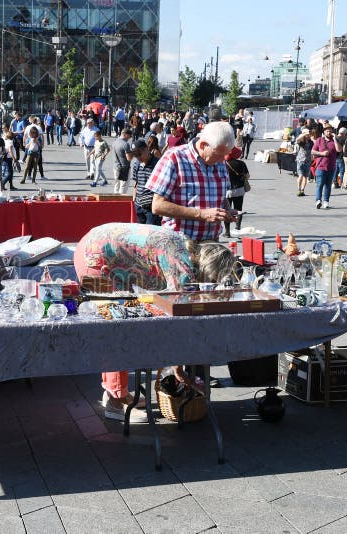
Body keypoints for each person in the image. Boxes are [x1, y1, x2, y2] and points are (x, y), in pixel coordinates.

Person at [73, 222, 235, 420]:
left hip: (94, 246)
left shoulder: (182, 248)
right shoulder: (181, 264)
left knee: (119, 324)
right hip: (95, 258)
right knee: (116, 328)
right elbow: (178, 317)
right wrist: (180, 369)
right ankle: (115, 401)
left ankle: (117, 393)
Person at [147, 121, 238, 242]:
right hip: (179, 243)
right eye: (218, 155)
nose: (222, 160)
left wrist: (225, 211)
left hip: (211, 243)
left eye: (225, 155)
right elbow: (157, 206)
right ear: (203, 145)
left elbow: (220, 198)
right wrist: (201, 214)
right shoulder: (174, 157)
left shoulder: (220, 162)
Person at [130, 139, 161, 226]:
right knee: (140, 233)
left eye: (139, 154)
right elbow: (136, 183)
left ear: (147, 149)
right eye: (135, 155)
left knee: (151, 233)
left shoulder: (157, 164)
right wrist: (134, 200)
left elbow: (161, 187)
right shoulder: (136, 164)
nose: (138, 157)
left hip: (151, 207)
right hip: (138, 205)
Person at [312, 124, 340, 209]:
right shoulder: (319, 140)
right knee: (319, 184)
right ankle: (318, 201)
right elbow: (313, 151)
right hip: (320, 166)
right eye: (327, 131)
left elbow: (339, 150)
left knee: (328, 186)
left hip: (331, 167)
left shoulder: (334, 141)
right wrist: (321, 153)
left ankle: (326, 201)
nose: (329, 132)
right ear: (324, 132)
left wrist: (335, 139)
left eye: (330, 131)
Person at [223, 146, 248, 237]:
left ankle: (227, 232)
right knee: (238, 209)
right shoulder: (241, 163)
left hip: (227, 191)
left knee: (227, 211)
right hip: (239, 190)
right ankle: (238, 228)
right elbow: (247, 176)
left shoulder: (224, 163)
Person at [111, 127, 132, 194]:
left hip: (115, 166)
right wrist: (134, 154)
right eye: (129, 136)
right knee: (123, 186)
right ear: (125, 134)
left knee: (116, 185)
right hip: (124, 167)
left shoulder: (114, 142)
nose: (130, 138)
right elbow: (129, 158)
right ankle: (121, 201)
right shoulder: (126, 144)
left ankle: (115, 201)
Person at [295, 128, 312, 196]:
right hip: (300, 161)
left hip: (308, 161)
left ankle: (302, 190)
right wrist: (304, 134)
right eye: (307, 134)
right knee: (301, 175)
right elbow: (297, 140)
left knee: (305, 176)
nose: (308, 135)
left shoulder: (311, 142)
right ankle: (299, 189)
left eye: (309, 134)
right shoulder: (302, 141)